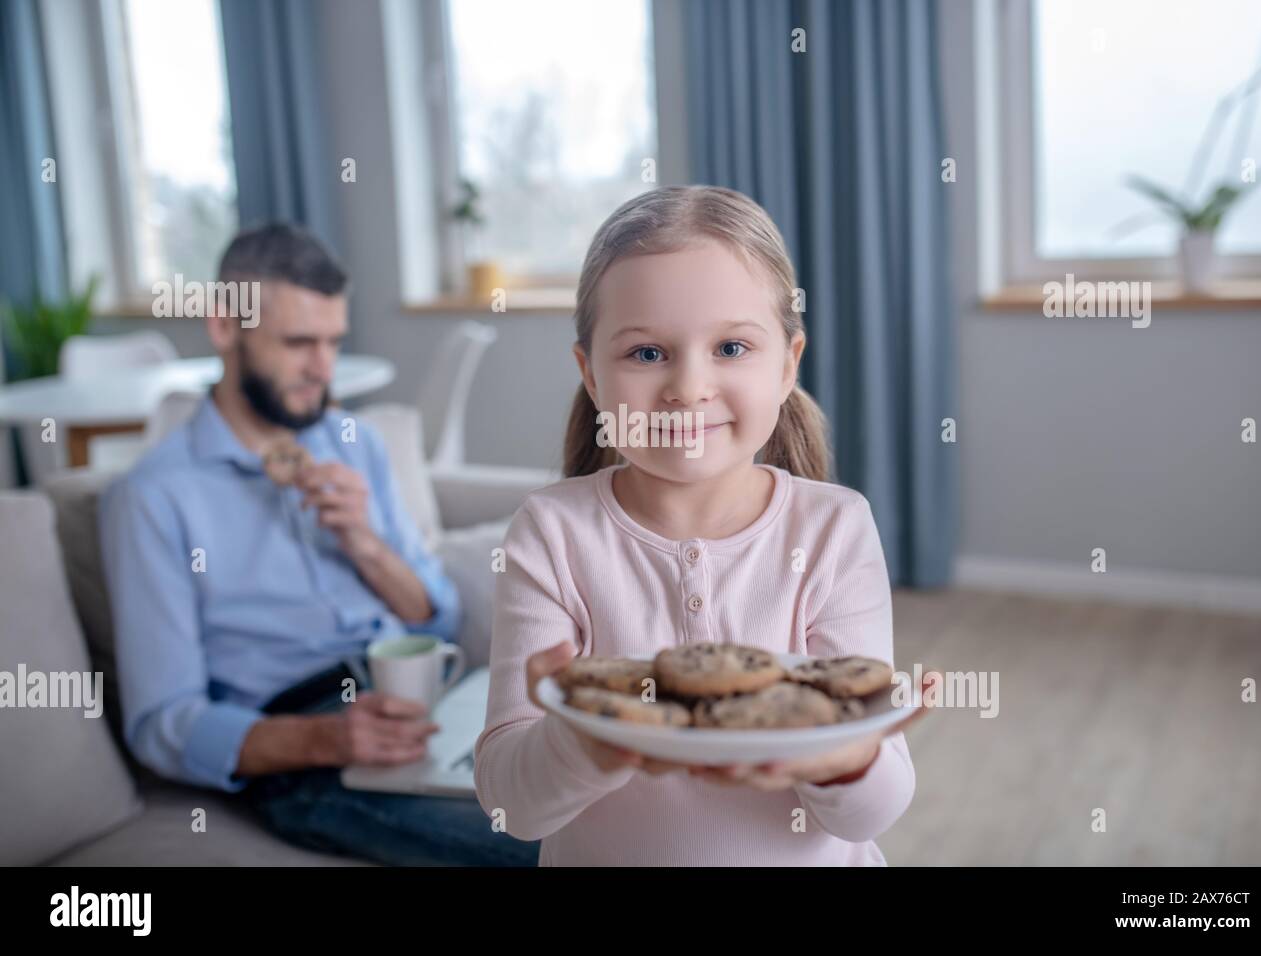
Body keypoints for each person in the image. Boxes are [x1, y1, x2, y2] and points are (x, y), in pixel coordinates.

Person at [474, 186, 936, 865]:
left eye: (730, 346)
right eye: (647, 354)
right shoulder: (551, 533)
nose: (688, 388)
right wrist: (577, 743)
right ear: (592, 377)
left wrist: (848, 754)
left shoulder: (836, 527)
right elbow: (510, 806)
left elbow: (875, 809)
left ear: (787, 365)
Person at [100, 222, 538, 866]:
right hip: (306, 752)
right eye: (299, 343)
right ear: (225, 328)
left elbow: (438, 616)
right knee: (551, 849)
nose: (323, 370)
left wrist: (364, 542)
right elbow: (160, 725)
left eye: (333, 342)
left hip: (422, 695)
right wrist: (325, 740)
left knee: (622, 803)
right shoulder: (153, 498)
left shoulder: (352, 443)